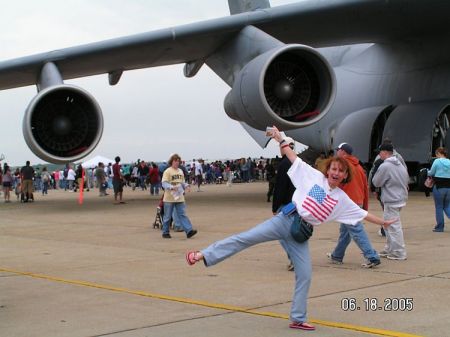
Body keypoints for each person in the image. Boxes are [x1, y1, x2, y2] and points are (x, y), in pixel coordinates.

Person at [185, 126, 396, 331]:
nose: (336, 172)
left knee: (305, 274)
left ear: (344, 176)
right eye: (333, 168)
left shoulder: (341, 199)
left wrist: (384, 222)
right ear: (328, 169)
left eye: (340, 171)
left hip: (299, 235)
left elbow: (362, 215)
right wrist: (279, 138)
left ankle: (297, 318)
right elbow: (292, 155)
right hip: (284, 220)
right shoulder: (314, 177)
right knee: (245, 238)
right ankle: (202, 254)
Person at [327, 143, 381, 268]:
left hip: (347, 204)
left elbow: (335, 185)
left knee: (356, 231)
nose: (336, 153)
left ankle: (372, 256)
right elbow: (364, 187)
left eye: (338, 150)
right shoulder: (359, 167)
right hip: (358, 202)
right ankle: (337, 255)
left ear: (343, 152)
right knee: (345, 232)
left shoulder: (342, 166)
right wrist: (364, 205)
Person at [372, 143, 409, 260]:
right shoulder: (400, 164)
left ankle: (399, 252)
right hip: (400, 198)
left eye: (380, 152)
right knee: (388, 226)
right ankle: (390, 248)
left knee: (393, 227)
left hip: (391, 199)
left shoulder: (385, 166)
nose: (379, 154)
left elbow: (376, 182)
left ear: (385, 152)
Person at [272, 137, 296, 271]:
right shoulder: (297, 161)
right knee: (293, 233)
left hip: (286, 204)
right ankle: (297, 258)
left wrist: (275, 206)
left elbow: (280, 187)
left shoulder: (284, 164)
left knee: (282, 234)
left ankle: (295, 259)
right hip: (296, 203)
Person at [161, 153, 198, 239]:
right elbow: (164, 183)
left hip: (179, 197)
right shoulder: (168, 171)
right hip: (169, 198)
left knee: (182, 214)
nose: (177, 162)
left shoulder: (180, 171)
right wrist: (171, 187)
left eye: (178, 161)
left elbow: (182, 182)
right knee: (167, 216)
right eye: (175, 161)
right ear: (172, 161)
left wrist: (186, 186)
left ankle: (189, 231)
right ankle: (165, 232)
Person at [427, 147, 450, 232]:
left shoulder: (437, 161)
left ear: (438, 154)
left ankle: (440, 227)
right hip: (449, 187)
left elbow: (431, 172)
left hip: (439, 187)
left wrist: (426, 171)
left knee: (439, 207)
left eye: (436, 155)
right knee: (447, 206)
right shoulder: (449, 162)